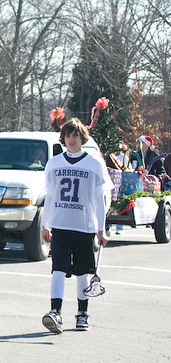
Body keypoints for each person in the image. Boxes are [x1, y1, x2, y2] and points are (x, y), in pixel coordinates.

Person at [40, 118, 112, 334]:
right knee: (58, 270)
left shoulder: (94, 163)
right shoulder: (54, 163)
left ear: (82, 138)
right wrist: (46, 224)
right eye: (68, 136)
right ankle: (55, 311)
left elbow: (100, 198)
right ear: (63, 138)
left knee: (82, 273)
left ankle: (82, 313)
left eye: (76, 136)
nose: (72, 140)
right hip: (61, 225)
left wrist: (101, 228)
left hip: (84, 225)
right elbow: (50, 196)